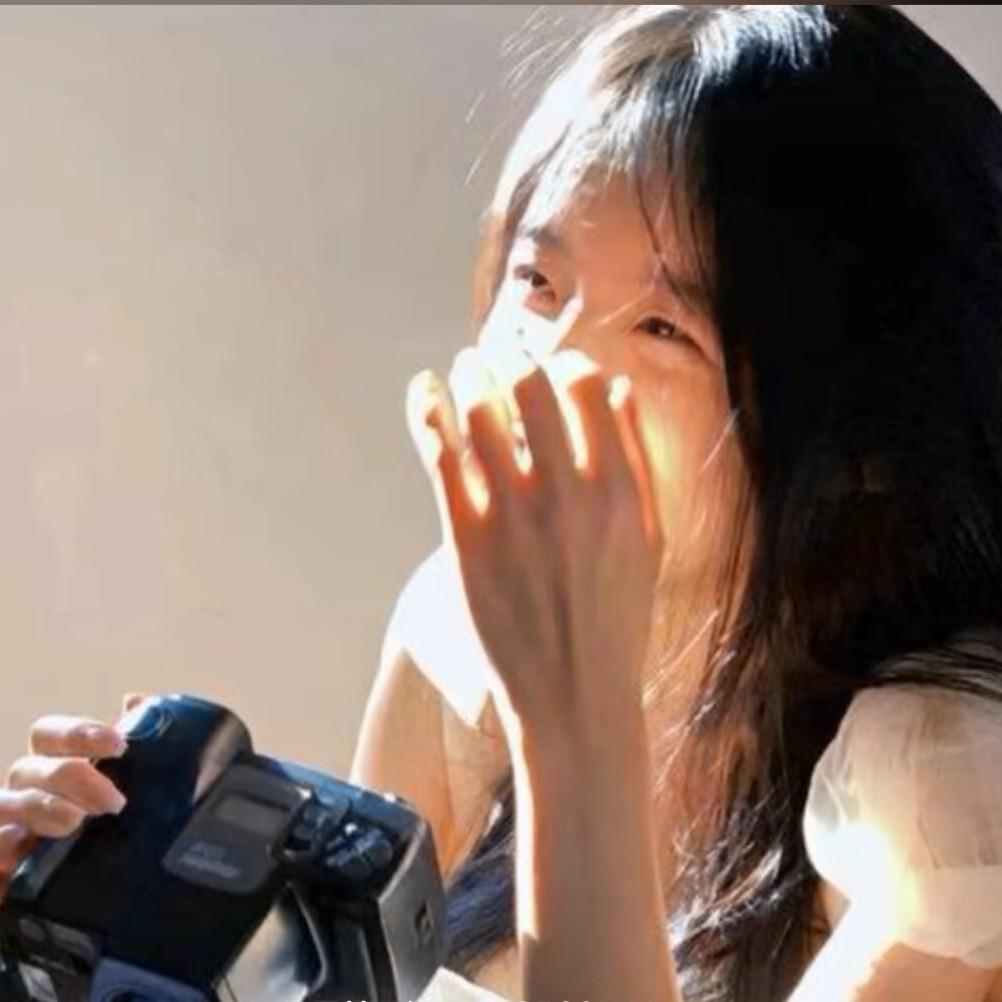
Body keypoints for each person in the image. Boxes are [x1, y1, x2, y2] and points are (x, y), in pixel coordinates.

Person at [4, 5, 1002, 1000]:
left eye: (663, 328)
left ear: (863, 438)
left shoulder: (947, 805)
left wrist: (573, 719)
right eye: (539, 282)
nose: (546, 368)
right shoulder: (457, 636)